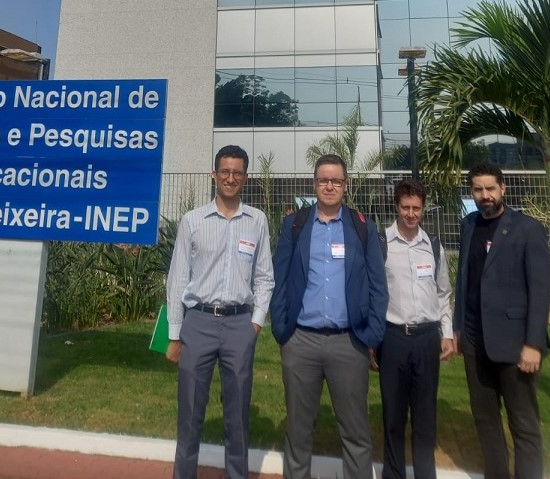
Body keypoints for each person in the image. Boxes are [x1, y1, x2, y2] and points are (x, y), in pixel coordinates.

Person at [270, 154, 388, 479]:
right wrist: (282, 331)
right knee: (298, 432)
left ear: (345, 185)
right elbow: (278, 280)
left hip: (349, 344)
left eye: (336, 180)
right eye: (323, 180)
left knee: (355, 434)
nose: (330, 186)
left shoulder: (363, 227)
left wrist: (372, 335)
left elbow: (379, 286)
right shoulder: (294, 225)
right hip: (301, 342)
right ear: (314, 184)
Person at [165, 144, 275, 479]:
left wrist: (255, 324)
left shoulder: (256, 221)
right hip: (197, 323)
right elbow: (178, 277)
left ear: (245, 177)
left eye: (237, 172)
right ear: (214, 175)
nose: (230, 178)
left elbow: (265, 277)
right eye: (224, 171)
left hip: (240, 324)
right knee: (190, 416)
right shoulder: (192, 221)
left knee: (238, 417)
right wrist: (174, 333)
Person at [454, 162, 550, 479]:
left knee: (523, 424)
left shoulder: (528, 229)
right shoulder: (468, 225)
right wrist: (459, 330)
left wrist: (533, 344)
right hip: (474, 342)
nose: (485, 195)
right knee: (485, 420)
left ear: (503, 189)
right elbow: (464, 280)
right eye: (478, 190)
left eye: (490, 189)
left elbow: (540, 291)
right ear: (472, 192)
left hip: (516, 346)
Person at [377, 178, 454, 479]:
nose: (411, 214)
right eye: (406, 207)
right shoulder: (382, 243)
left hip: (426, 340)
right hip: (393, 338)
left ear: (423, 209)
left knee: (425, 418)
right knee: (393, 416)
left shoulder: (433, 246)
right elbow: (375, 294)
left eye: (416, 208)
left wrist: (446, 333)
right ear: (397, 207)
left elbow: (443, 293)